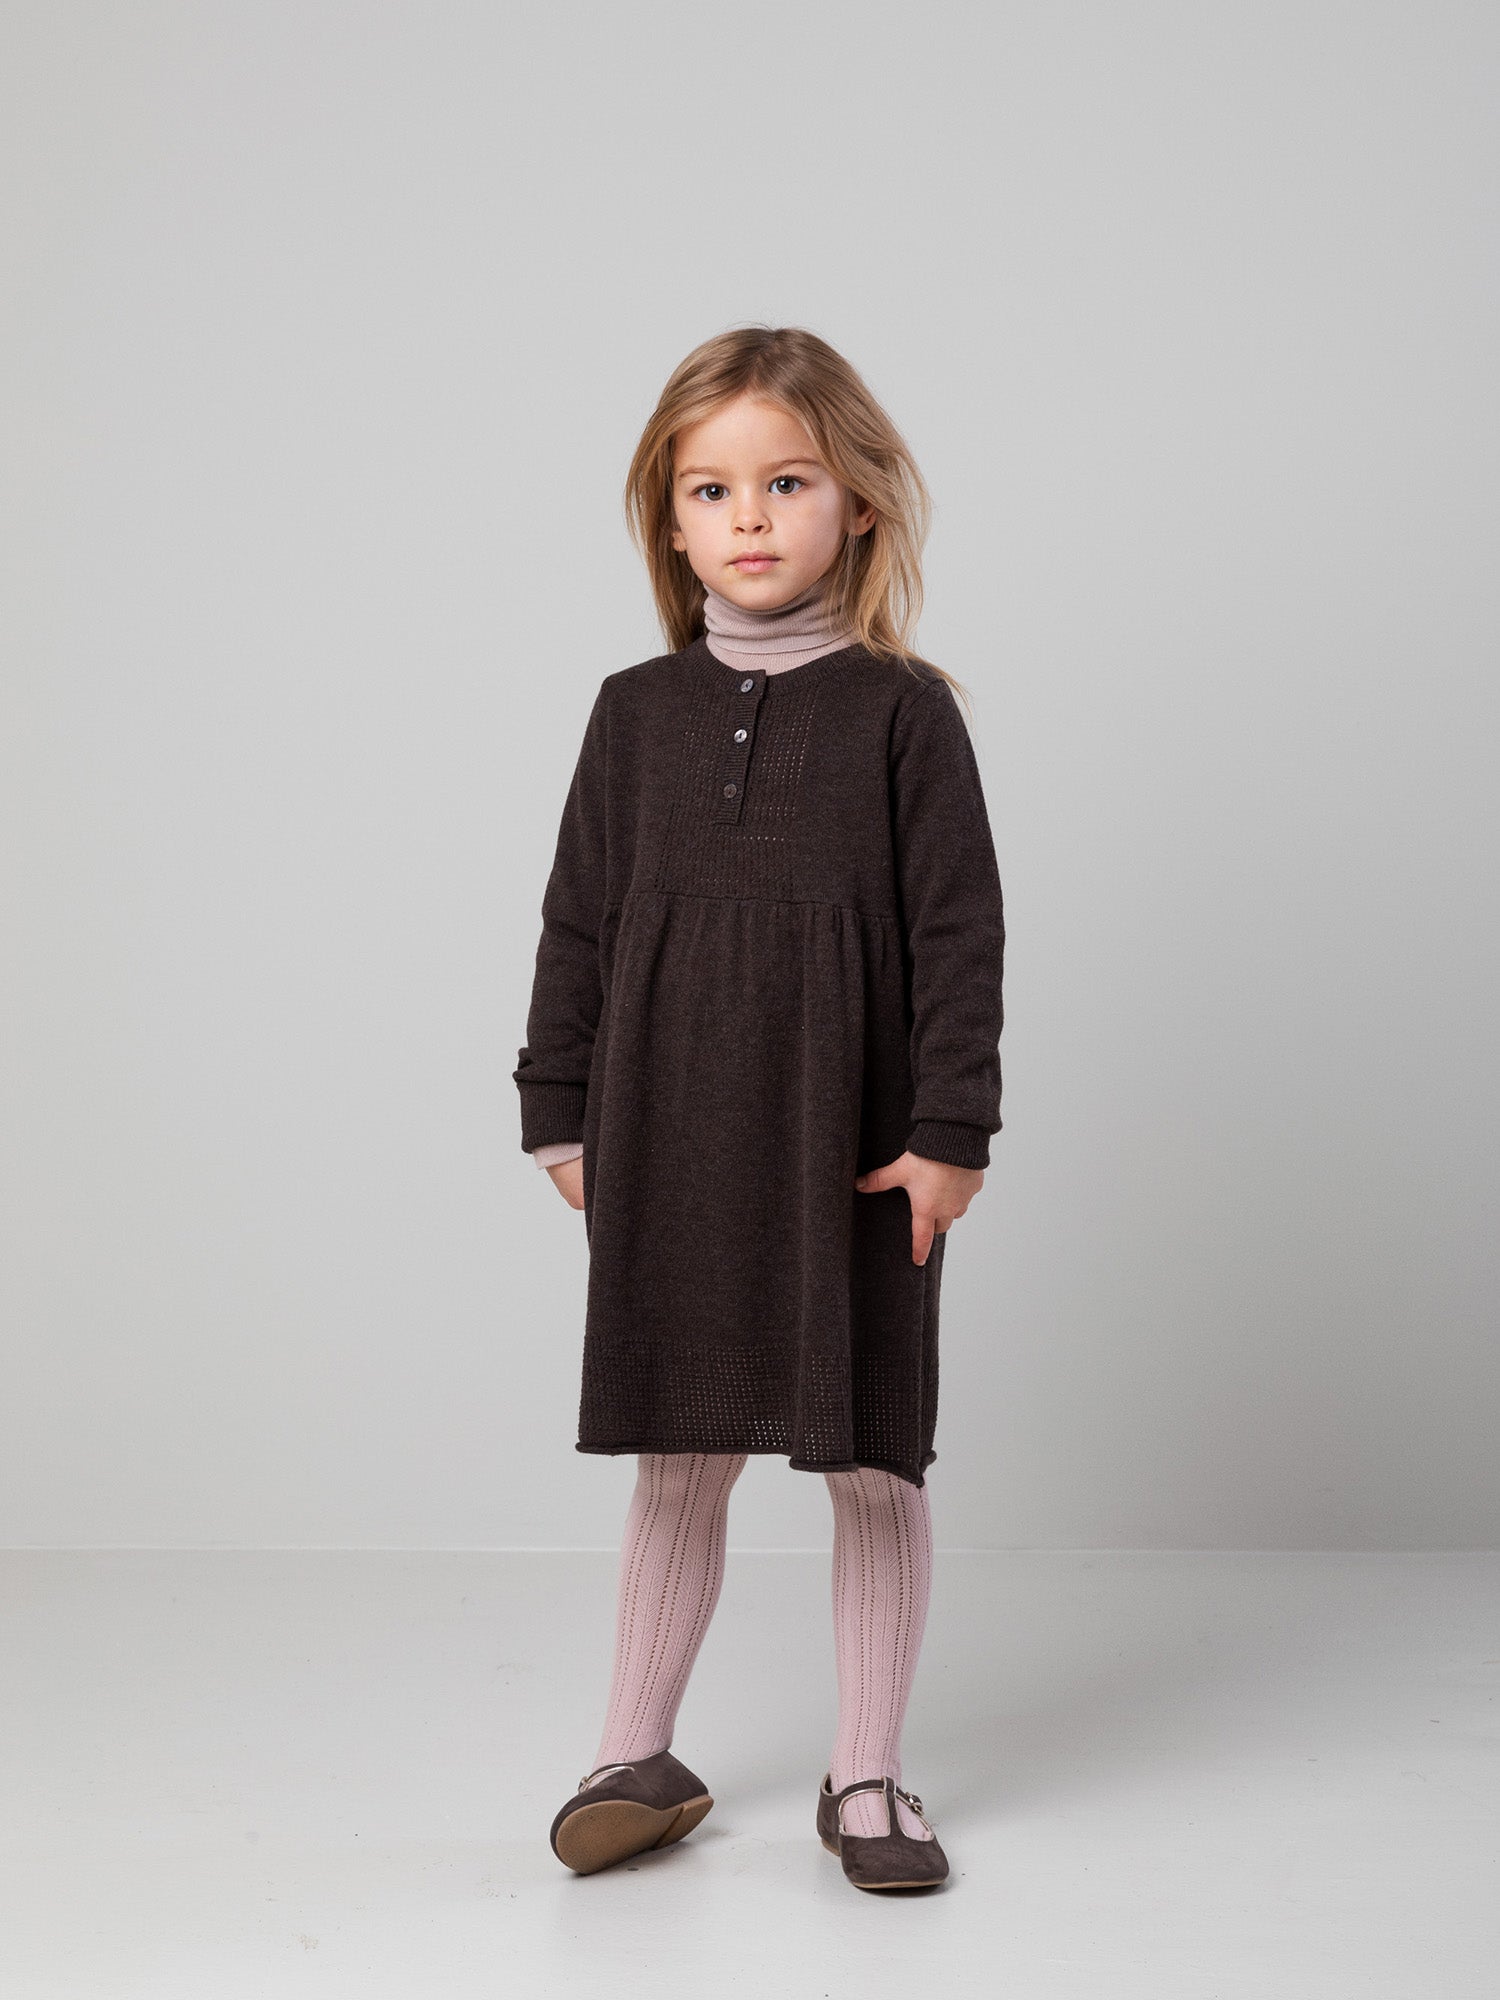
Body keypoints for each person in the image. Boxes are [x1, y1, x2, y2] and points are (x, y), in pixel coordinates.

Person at [513, 324, 1005, 1893]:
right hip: (673, 1126)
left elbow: (959, 933)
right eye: (710, 489)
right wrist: (559, 1107)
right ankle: (633, 1755)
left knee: (873, 1458)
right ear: (669, 520)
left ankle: (869, 1776)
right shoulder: (632, 711)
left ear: (857, 503)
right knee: (681, 1446)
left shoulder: (906, 713)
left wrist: (952, 1132)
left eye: (787, 482)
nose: (749, 517)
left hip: (860, 1143)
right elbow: (578, 919)